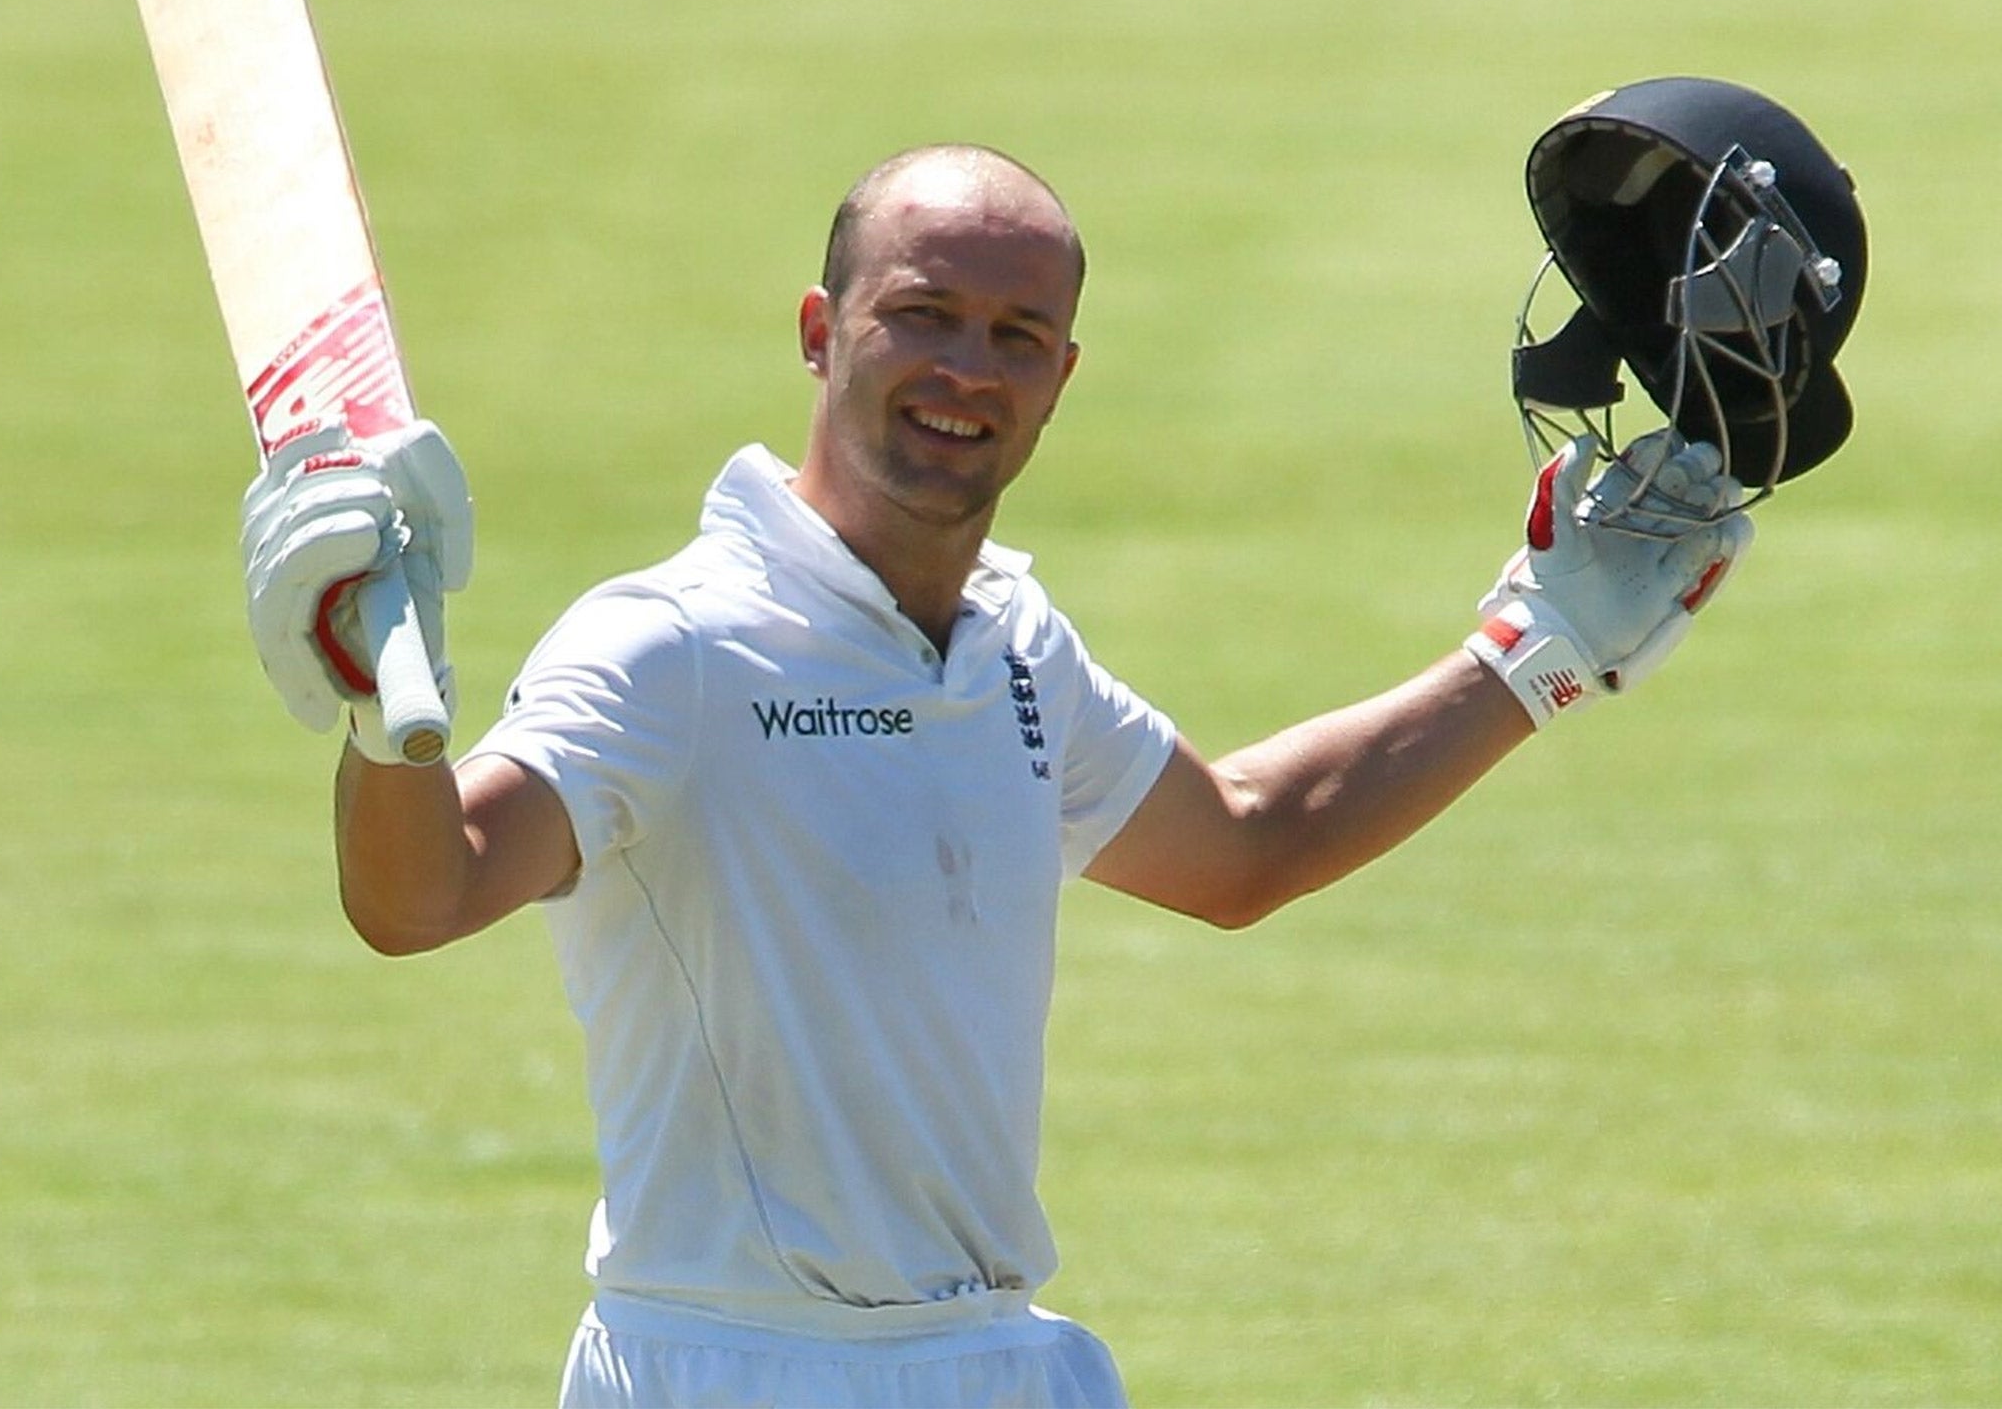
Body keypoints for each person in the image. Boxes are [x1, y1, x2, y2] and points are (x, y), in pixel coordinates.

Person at [239, 143, 1750, 1407]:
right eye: (924, 316)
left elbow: (1244, 844)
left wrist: (1539, 648)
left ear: (1063, 374)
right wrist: (388, 728)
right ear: (823, 331)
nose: (968, 369)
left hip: (996, 1365)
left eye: (1017, 335)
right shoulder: (670, 647)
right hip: (739, 1370)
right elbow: (421, 895)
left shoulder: (1015, 641)